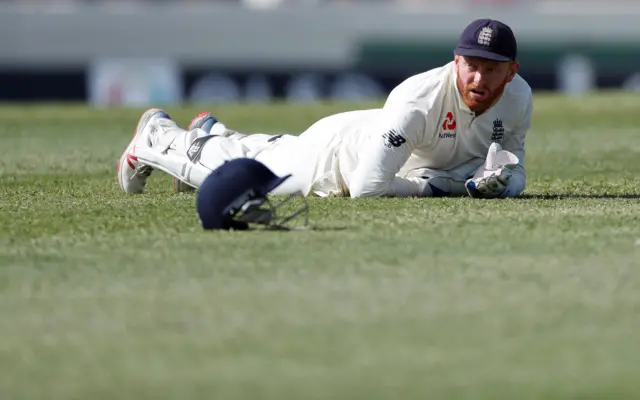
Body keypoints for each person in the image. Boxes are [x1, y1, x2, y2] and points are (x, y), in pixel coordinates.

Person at [117, 18, 533, 199]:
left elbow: (515, 167)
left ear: (511, 72)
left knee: (262, 152)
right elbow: (368, 190)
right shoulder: (419, 100)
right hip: (335, 159)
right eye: (471, 66)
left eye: (491, 70)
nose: (478, 79)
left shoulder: (519, 100)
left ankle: (213, 133)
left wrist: (501, 184)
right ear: (456, 61)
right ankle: (158, 135)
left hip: (376, 142)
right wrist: (451, 187)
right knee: (242, 179)